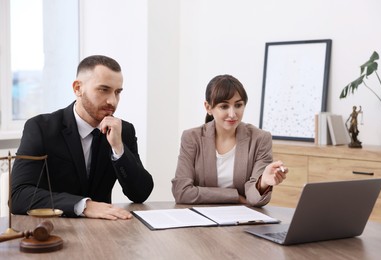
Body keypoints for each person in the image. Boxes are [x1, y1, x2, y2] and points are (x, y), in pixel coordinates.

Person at [11, 55, 154, 220]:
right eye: (103, 89)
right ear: (78, 88)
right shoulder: (41, 128)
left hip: (104, 234)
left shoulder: (123, 131)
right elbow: (18, 196)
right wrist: (84, 205)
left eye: (117, 92)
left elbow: (140, 194)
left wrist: (118, 149)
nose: (112, 101)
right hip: (55, 229)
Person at [171, 74, 288, 207]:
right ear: (208, 107)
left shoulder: (260, 139)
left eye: (238, 105)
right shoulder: (191, 138)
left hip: (240, 219)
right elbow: (181, 192)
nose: (232, 114)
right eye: (224, 106)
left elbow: (253, 198)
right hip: (200, 218)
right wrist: (235, 196)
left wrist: (263, 183)